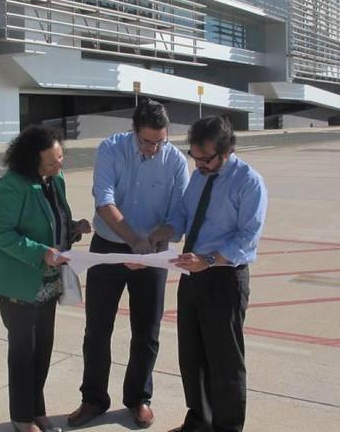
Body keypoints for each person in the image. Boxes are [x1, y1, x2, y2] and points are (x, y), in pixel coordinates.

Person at [68, 100, 189, 429]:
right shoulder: (111, 149)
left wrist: (156, 238)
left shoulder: (175, 161)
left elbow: (178, 213)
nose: (153, 148)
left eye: (160, 141)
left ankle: (138, 398)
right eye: (147, 141)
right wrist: (132, 240)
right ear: (133, 131)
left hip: (152, 252)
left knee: (147, 332)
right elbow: (104, 201)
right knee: (97, 330)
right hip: (109, 246)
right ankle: (93, 399)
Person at [0, 125, 91, 432]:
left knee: (42, 347)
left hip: (48, 281)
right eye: (51, 162)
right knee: (22, 351)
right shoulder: (10, 186)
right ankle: (22, 418)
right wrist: (41, 252)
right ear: (32, 163)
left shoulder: (56, 180)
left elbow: (53, 219)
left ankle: (36, 410)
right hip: (16, 281)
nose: (59, 165)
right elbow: (0, 234)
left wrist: (72, 227)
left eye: (60, 157)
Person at [166, 116, 267, 432]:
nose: (199, 165)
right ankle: (199, 421)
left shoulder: (248, 182)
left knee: (224, 362)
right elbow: (184, 214)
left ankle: (227, 427)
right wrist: (160, 234)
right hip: (192, 274)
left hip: (224, 277)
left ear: (227, 150)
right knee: (191, 356)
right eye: (194, 158)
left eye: (206, 159)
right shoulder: (199, 177)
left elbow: (247, 235)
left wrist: (208, 260)